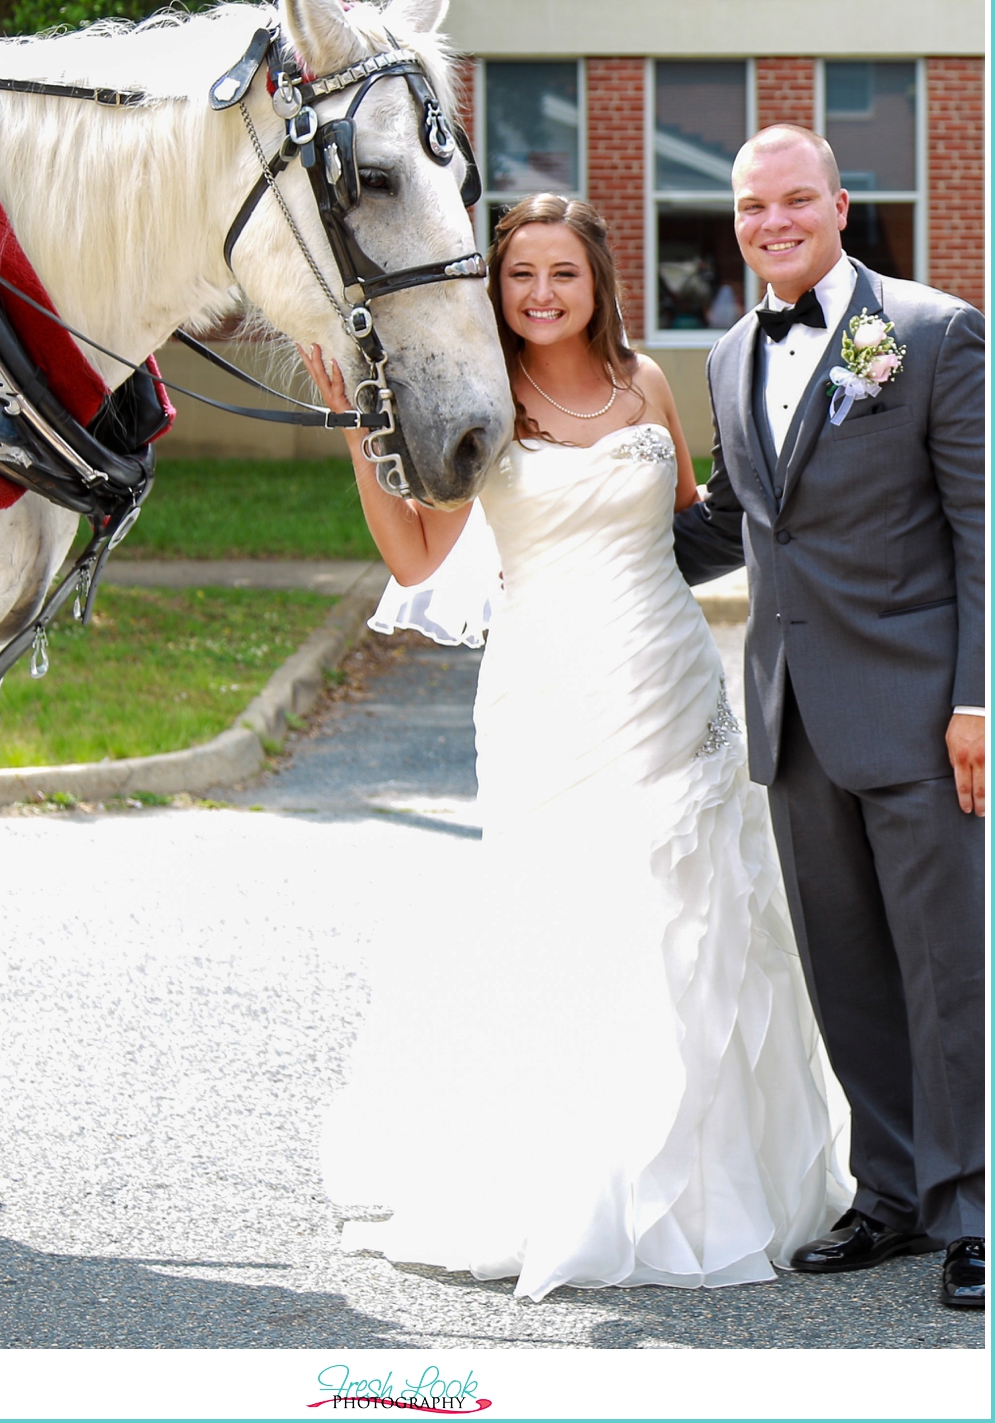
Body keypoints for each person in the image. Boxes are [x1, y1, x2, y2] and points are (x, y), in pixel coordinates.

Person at [300, 193, 849, 1302]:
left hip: (671, 681)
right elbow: (415, 557)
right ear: (496, 291)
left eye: (563, 271)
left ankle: (712, 1179)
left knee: (701, 914)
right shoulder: (483, 399)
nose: (541, 292)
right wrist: (365, 435)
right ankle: (568, 1171)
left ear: (598, 280)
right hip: (548, 694)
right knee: (564, 909)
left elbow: (690, 518)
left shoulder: (648, 382)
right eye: (520, 275)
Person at [672, 125, 985, 1314]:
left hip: (920, 715)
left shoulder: (929, 331)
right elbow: (746, 517)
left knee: (949, 972)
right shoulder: (730, 350)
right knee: (846, 973)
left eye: (797, 198)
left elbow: (981, 528)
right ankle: (893, 1194)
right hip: (795, 721)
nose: (774, 221)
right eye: (754, 205)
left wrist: (977, 699)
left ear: (840, 204)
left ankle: (974, 1209)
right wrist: (585, 543)